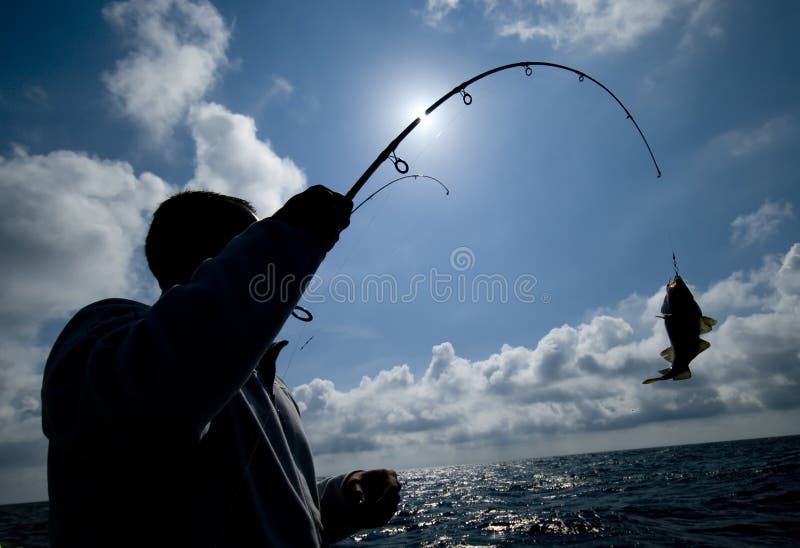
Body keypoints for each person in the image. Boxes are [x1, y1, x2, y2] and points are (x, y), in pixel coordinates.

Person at [41, 185, 401, 546]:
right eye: (252, 240)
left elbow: (271, 512)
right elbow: (148, 409)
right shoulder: (105, 334)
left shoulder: (274, 387)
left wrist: (343, 497)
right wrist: (287, 239)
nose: (264, 246)